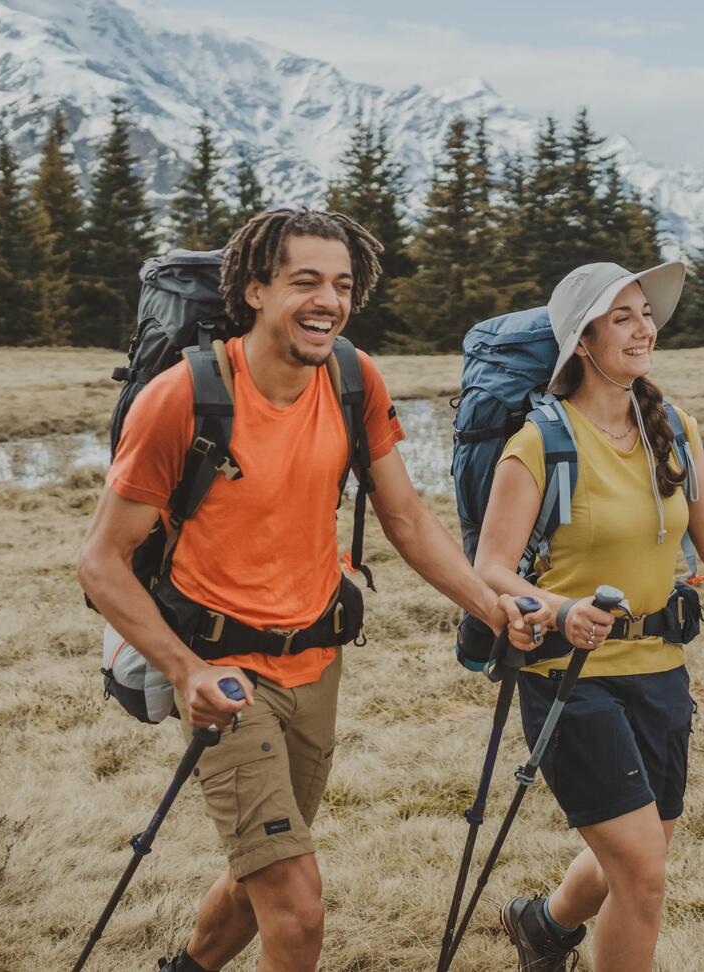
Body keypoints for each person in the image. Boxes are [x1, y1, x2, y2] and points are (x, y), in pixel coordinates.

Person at [77, 208, 536, 972]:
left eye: (343, 284)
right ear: (254, 290)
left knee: (259, 874)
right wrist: (187, 670)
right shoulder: (184, 398)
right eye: (306, 282)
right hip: (225, 676)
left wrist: (492, 606)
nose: (330, 300)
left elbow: (409, 522)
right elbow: (100, 561)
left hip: (316, 667)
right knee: (297, 908)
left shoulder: (353, 379)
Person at [473, 260, 704, 971]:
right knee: (642, 870)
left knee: (645, 847)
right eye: (623, 318)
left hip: (661, 671)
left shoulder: (673, 427)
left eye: (646, 314)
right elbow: (490, 568)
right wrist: (561, 608)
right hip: (570, 677)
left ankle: (544, 926)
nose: (645, 330)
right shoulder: (539, 442)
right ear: (582, 341)